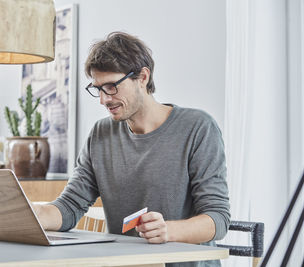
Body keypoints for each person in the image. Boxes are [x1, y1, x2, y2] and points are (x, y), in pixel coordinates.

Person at [33, 32, 230, 267]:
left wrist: (168, 230)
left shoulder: (197, 127)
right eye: (98, 88)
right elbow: (70, 206)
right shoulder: (101, 133)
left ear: (143, 77)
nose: (104, 100)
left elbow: (218, 219)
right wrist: (32, 215)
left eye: (112, 87)